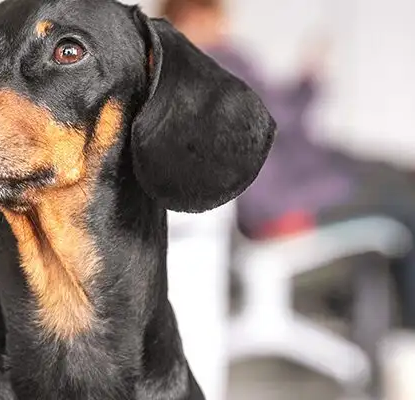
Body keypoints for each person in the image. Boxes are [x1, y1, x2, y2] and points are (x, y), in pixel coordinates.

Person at [158, 0, 415, 331]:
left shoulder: (186, 70)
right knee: (405, 202)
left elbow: (275, 115)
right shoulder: (218, 63)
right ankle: (408, 340)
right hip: (281, 203)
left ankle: (386, 321)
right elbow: (277, 117)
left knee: (396, 177)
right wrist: (310, 79)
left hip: (285, 185)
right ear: (194, 16)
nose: (224, 26)